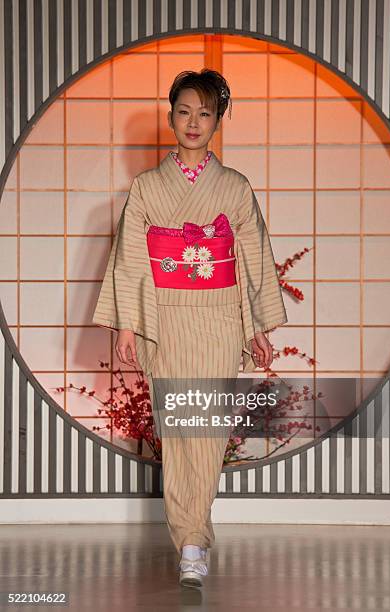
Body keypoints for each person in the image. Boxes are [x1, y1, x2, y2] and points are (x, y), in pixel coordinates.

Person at [92, 68, 288, 587]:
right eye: (184, 111)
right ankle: (191, 542)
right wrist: (128, 328)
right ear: (171, 117)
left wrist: (257, 328)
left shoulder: (235, 188)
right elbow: (132, 259)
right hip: (167, 319)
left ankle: (193, 538)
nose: (193, 122)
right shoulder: (148, 188)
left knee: (208, 431)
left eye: (205, 112)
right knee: (179, 431)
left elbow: (251, 261)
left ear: (217, 120)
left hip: (221, 317)